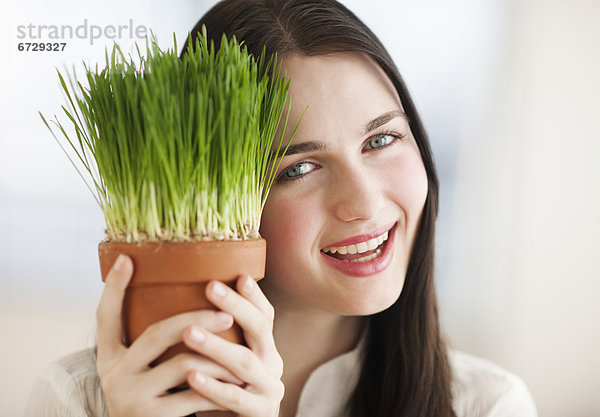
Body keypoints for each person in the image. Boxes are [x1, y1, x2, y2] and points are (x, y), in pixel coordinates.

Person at [25, 1, 538, 416]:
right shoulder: (80, 401)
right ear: (216, 196)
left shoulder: (487, 405)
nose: (363, 203)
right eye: (297, 169)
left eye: (381, 138)